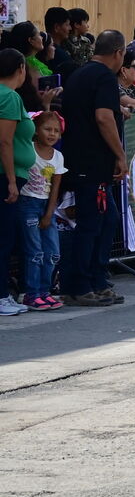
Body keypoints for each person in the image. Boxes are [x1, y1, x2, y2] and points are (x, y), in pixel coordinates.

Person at [57, 31, 129, 307]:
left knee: (106, 219)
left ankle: (97, 280)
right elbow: (103, 117)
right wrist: (120, 155)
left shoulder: (80, 74)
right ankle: (80, 285)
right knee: (91, 223)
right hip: (92, 163)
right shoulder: (103, 77)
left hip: (82, 160)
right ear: (118, 53)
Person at [0, 49, 38, 315]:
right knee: (4, 238)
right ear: (21, 69)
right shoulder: (10, 97)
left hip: (9, 175)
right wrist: (12, 180)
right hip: (5, 177)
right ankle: (1, 296)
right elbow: (5, 141)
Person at [17, 110, 67, 310]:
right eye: (47, 129)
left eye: (56, 130)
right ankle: (31, 293)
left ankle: (44, 291)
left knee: (53, 252)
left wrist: (49, 213)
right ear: (36, 130)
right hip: (27, 203)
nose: (52, 134)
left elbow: (55, 187)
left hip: (46, 206)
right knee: (34, 252)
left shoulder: (58, 157)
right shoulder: (28, 149)